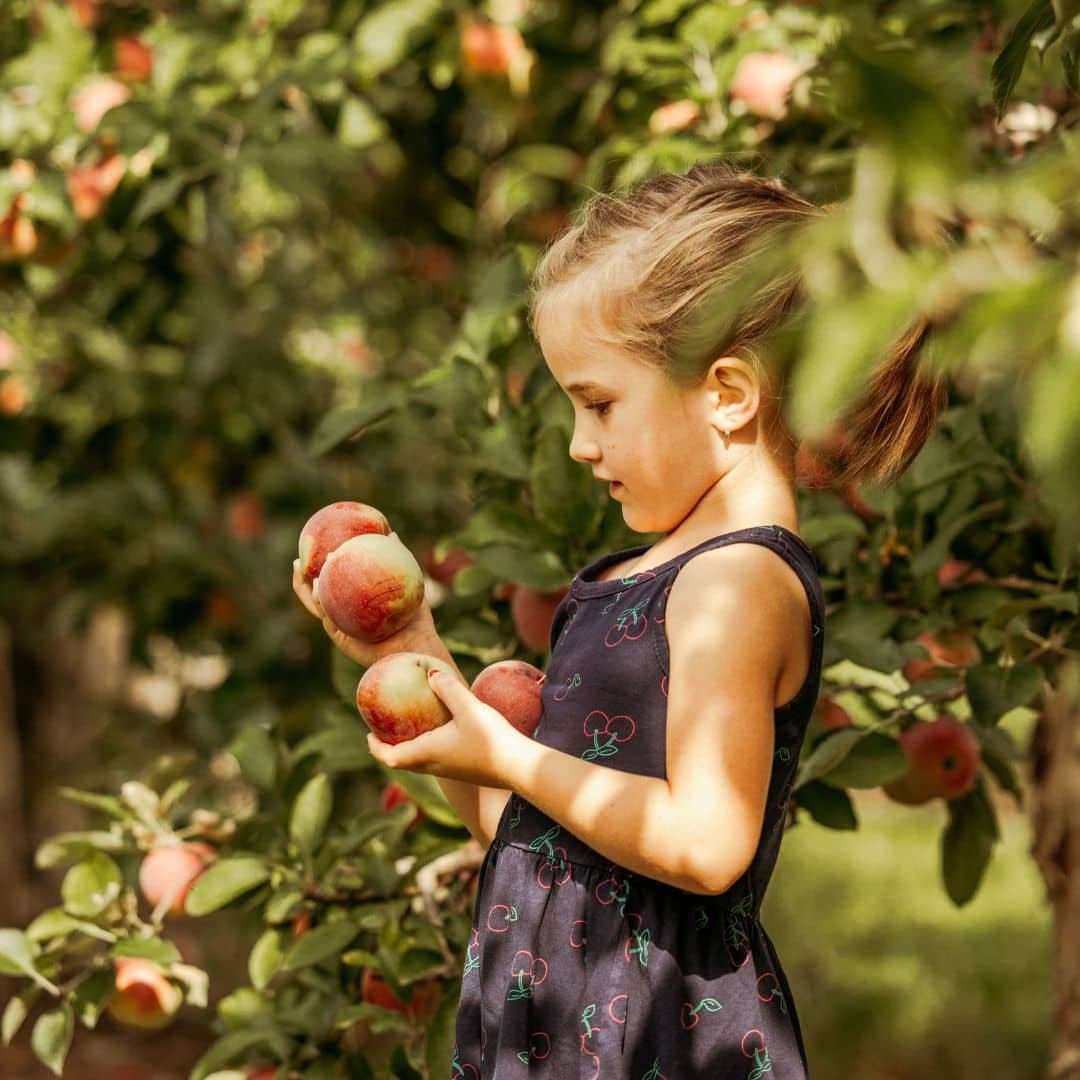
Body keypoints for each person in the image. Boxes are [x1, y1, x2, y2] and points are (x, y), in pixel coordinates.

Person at [293, 160, 945, 1078]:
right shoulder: (633, 577)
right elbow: (528, 845)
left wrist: (511, 756)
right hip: (559, 1022)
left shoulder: (737, 583)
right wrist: (409, 650)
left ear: (727, 393)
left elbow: (708, 846)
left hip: (653, 1040)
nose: (577, 442)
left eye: (598, 402)